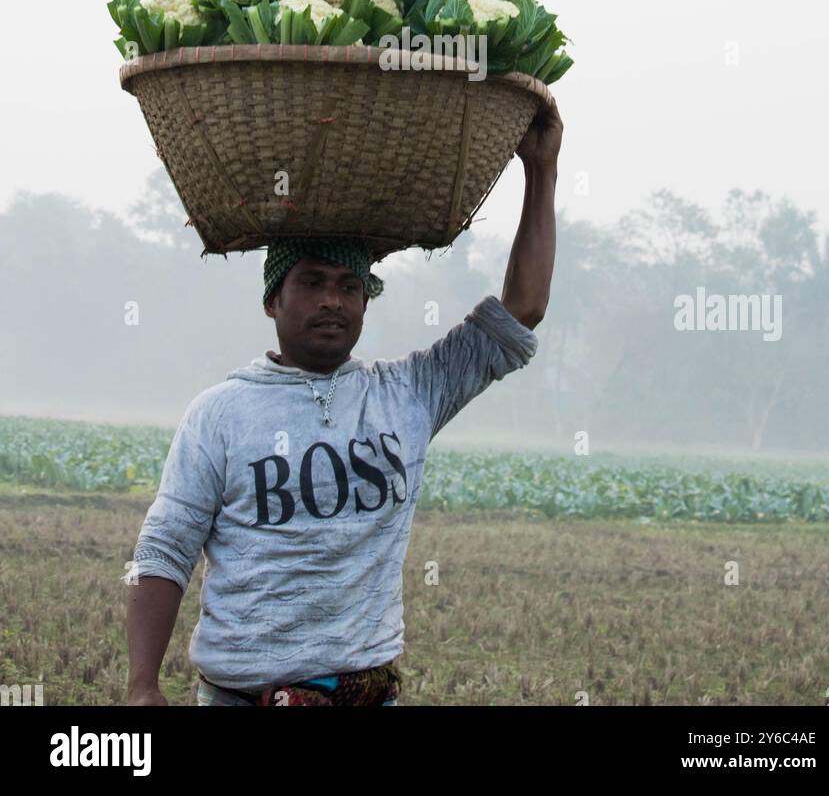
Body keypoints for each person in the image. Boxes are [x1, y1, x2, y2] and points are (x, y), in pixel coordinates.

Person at [126, 98, 562, 706]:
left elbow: (523, 310)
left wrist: (541, 171)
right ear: (272, 302)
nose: (333, 301)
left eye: (349, 287)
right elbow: (166, 547)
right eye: (311, 283)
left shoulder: (408, 392)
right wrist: (142, 684)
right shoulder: (219, 413)